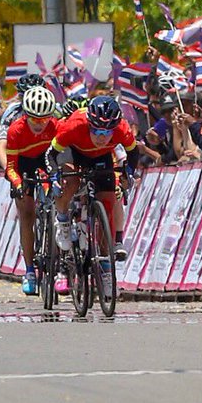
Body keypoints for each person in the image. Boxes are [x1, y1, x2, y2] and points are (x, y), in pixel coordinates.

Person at [46, 96, 134, 293]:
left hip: (100, 155)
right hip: (72, 151)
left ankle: (105, 270)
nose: (102, 136)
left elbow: (132, 153)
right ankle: (63, 220)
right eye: (97, 130)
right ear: (89, 124)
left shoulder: (122, 129)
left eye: (107, 132)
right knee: (72, 181)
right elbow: (50, 154)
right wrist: (54, 177)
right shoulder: (73, 126)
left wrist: (128, 173)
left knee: (109, 202)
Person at [4, 87, 60, 296]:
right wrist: (18, 184)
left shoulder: (55, 126)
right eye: (35, 119)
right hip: (23, 165)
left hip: (47, 160)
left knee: (58, 201)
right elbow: (10, 167)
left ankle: (60, 265)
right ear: (26, 115)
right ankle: (29, 270)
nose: (40, 124)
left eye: (45, 119)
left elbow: (61, 158)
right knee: (26, 214)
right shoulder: (15, 130)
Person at [0, 74, 47, 167]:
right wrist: (8, 170)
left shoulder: (55, 109)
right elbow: (2, 148)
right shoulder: (12, 113)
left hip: (47, 153)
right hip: (22, 156)